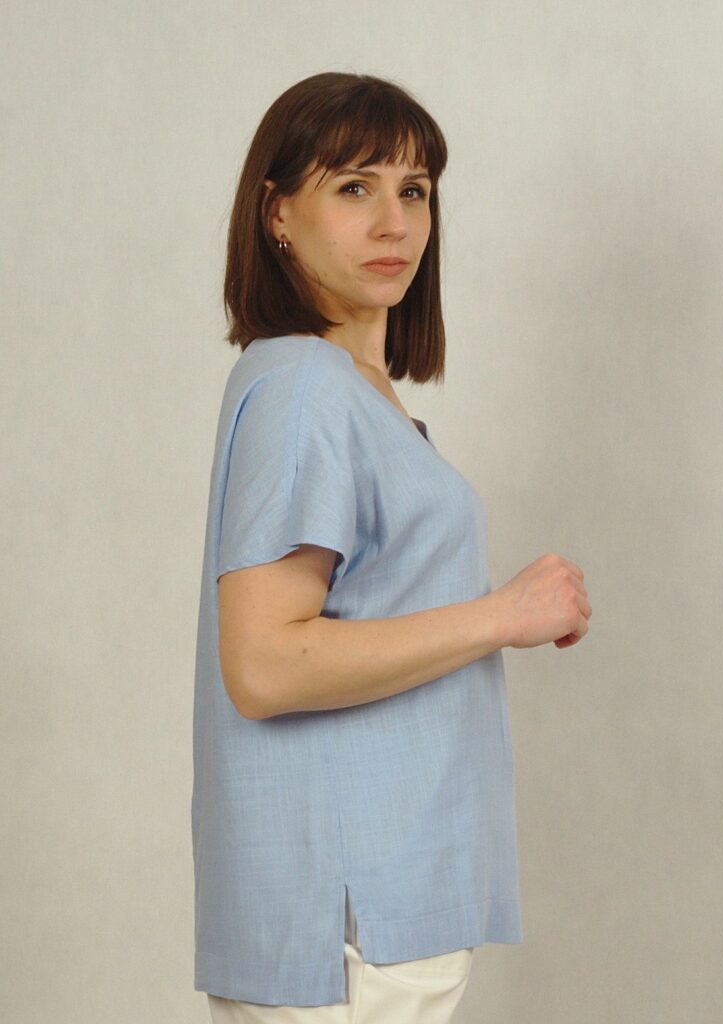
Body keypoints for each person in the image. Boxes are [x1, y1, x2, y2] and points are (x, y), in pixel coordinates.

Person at [192, 71, 592, 1023]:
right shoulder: (305, 388)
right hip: (351, 924)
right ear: (277, 213)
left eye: (414, 190)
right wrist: (504, 614)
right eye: (353, 187)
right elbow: (265, 663)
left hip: (377, 909)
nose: (394, 223)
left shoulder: (348, 391)